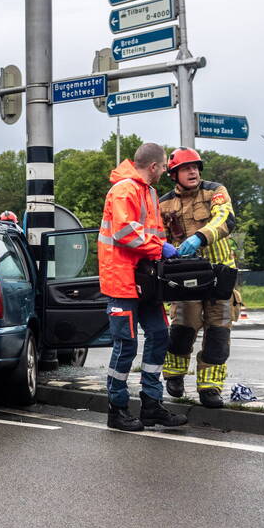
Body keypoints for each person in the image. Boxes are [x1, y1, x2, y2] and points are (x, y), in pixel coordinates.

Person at [99, 143, 188, 431]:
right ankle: (118, 408)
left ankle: (151, 405)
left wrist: (163, 252)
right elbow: (125, 232)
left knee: (160, 334)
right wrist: (160, 248)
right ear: (153, 166)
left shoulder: (147, 192)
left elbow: (151, 235)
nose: (164, 171)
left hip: (144, 281)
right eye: (163, 166)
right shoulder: (125, 190)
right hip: (122, 281)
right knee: (126, 345)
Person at [159, 148, 239, 409]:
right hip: (186, 276)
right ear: (174, 174)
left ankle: (210, 388)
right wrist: (163, 247)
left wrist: (200, 236)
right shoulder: (163, 203)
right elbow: (156, 234)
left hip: (220, 274)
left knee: (218, 333)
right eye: (185, 168)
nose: (192, 171)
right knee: (183, 327)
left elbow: (225, 218)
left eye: (195, 167)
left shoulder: (215, 191)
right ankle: (174, 375)